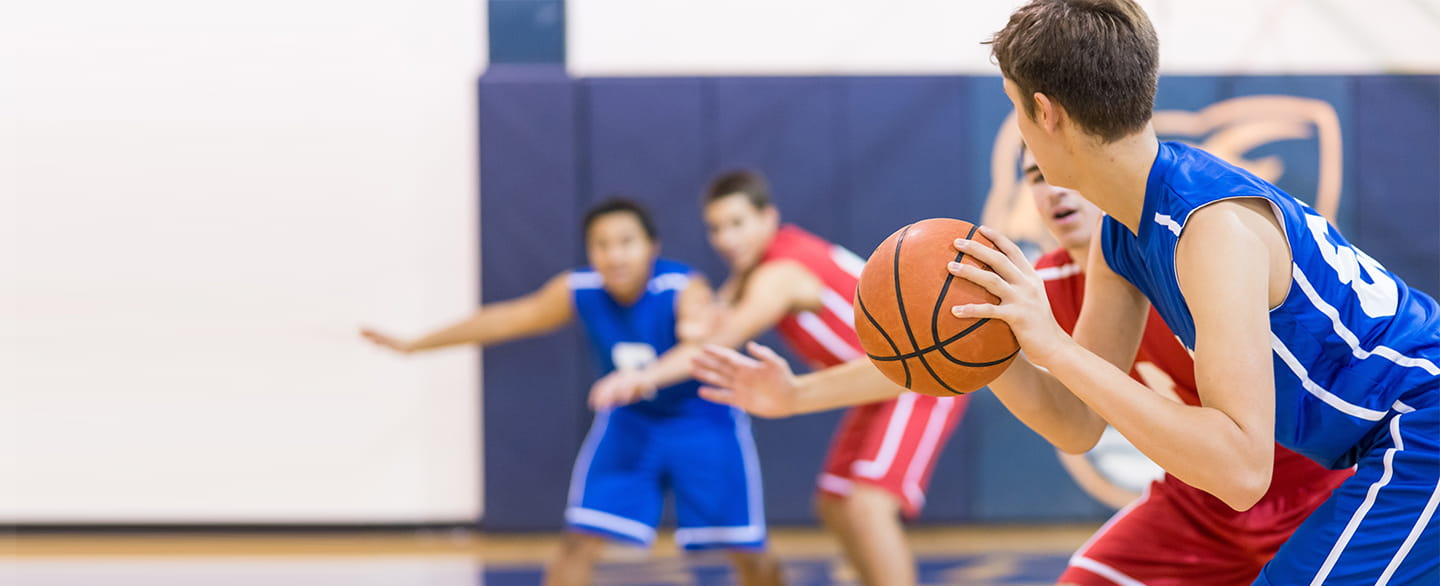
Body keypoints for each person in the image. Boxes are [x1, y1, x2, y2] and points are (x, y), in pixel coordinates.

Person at [695, 143, 1359, 584]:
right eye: (1035, 176)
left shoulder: (1183, 250)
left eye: (1062, 171)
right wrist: (793, 395)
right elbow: (919, 361)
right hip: (1202, 502)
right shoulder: (1031, 284)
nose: (1052, 189)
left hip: (1311, 487)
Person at [972, 1, 1436, 583]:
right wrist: (976, 344)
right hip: (1384, 439)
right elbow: (1078, 421)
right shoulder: (1127, 223)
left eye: (1014, 107)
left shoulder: (1208, 228)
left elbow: (1240, 471)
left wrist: (1056, 349)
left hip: (1422, 422)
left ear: (1045, 113)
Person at [361, 198, 784, 586]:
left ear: (652, 246)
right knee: (579, 540)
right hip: (631, 422)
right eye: (600, 244)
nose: (613, 255)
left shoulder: (683, 288)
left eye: (625, 242)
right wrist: (415, 344)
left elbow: (699, 346)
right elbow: (506, 319)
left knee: (748, 549)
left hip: (702, 423)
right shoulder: (580, 290)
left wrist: (648, 374)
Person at [592, 171, 966, 586]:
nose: (726, 238)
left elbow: (719, 337)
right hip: (874, 385)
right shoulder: (757, 269)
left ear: (768, 219)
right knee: (834, 504)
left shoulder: (781, 273)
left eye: (738, 224)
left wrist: (643, 377)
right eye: (716, 228)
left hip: (919, 376)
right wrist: (696, 316)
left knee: (867, 505)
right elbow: (711, 314)